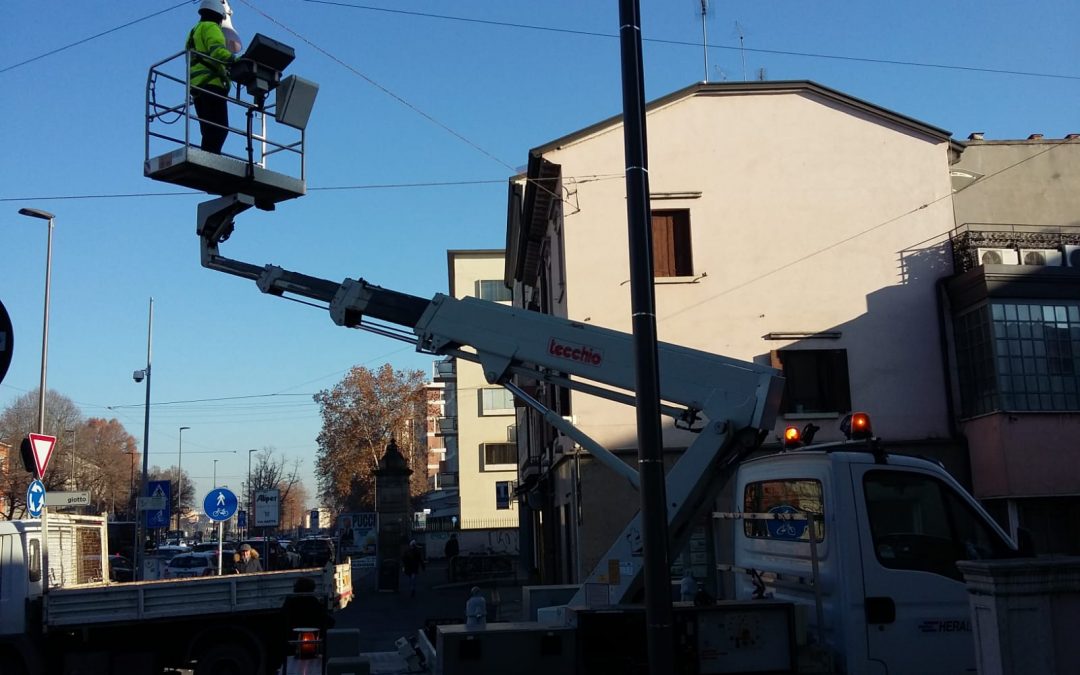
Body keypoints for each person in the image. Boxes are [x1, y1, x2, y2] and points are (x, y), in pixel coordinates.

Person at [186, 0, 236, 153]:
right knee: (220, 129)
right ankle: (211, 157)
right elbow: (217, 52)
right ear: (219, 16)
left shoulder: (194, 31)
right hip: (212, 85)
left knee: (208, 130)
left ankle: (207, 156)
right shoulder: (212, 28)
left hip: (197, 87)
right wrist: (238, 60)